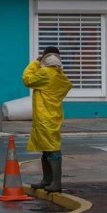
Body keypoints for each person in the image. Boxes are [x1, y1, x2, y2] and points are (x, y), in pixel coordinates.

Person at [22, 46, 73, 192]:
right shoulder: (60, 75)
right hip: (53, 115)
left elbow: (27, 80)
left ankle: (55, 183)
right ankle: (47, 180)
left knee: (52, 148)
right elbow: (65, 87)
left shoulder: (45, 73)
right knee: (47, 148)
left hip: (45, 116)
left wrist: (35, 63)